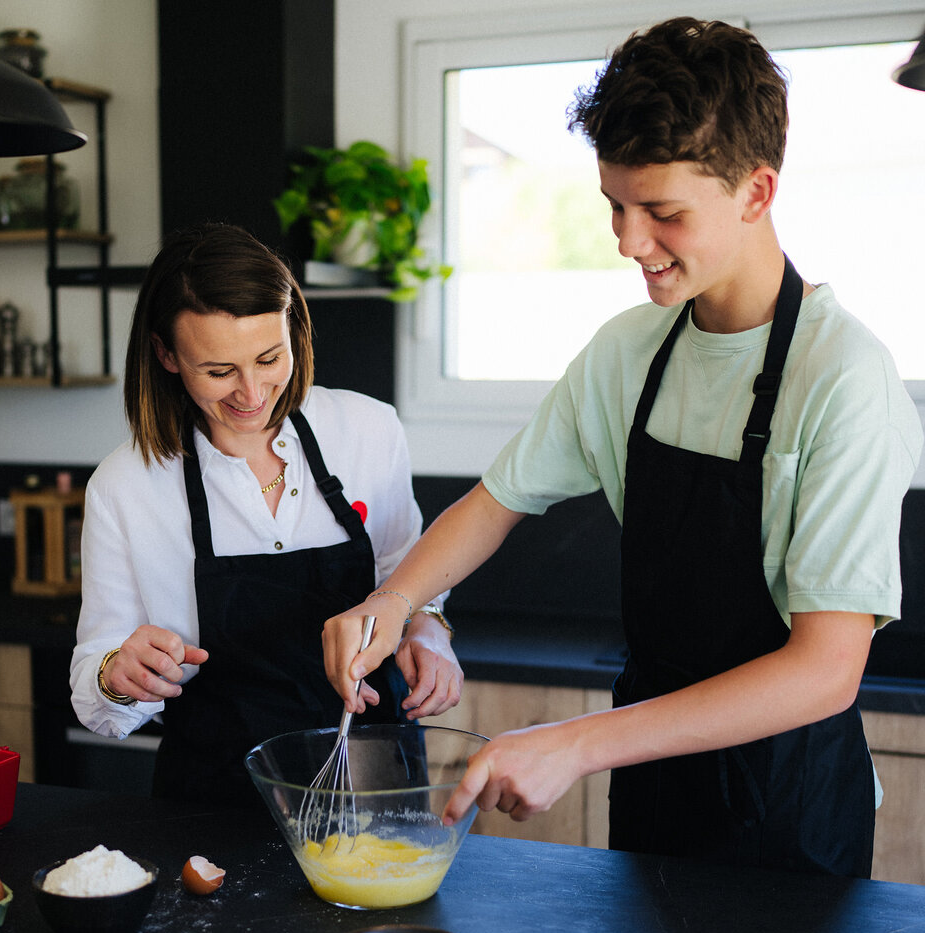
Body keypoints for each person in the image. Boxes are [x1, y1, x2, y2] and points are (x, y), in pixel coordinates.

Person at [322, 18, 924, 877]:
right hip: (650, 786)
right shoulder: (628, 352)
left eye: (663, 213)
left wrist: (573, 744)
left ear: (757, 192)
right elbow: (497, 502)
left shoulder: (843, 376)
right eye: (615, 204)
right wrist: (387, 606)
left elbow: (825, 669)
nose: (628, 241)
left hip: (790, 813)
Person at [70, 223, 462, 805]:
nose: (251, 394)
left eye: (268, 358)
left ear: (292, 331)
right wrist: (119, 675)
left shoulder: (367, 430)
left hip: (373, 782)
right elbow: (94, 689)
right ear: (166, 355)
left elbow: (410, 578)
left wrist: (430, 629)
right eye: (219, 371)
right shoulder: (125, 486)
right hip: (214, 801)